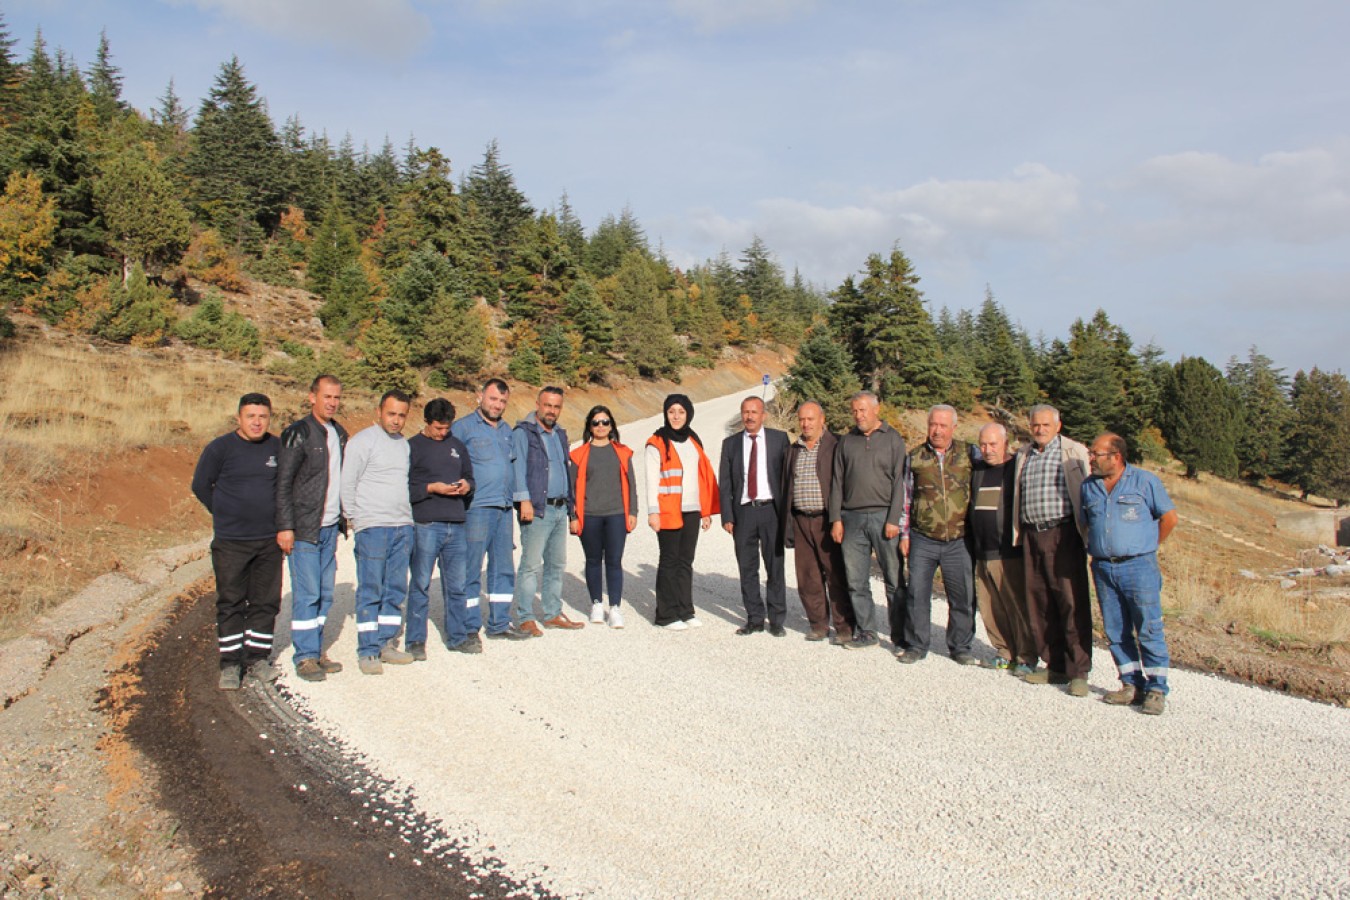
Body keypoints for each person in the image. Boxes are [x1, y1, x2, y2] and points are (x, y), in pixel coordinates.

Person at [1082, 432, 1178, 715]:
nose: (1090, 458)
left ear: (1116, 457)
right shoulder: (1089, 487)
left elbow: (1169, 519)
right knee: (1115, 629)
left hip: (1139, 566)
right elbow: (1086, 523)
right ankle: (1130, 683)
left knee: (1148, 627)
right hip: (1102, 566)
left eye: (1095, 454)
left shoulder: (1145, 482)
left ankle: (1157, 688)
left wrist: (1146, 547)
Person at [192, 393, 283, 690]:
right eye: (251, 416)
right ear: (239, 419)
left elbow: (284, 488)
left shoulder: (276, 447)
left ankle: (257, 658)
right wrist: (225, 512)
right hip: (231, 541)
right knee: (231, 602)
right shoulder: (220, 448)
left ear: (269, 418)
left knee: (265, 602)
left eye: (262, 417)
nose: (257, 422)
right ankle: (230, 664)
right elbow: (201, 485)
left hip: (268, 541)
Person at [1012, 404, 1093, 697]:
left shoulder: (1073, 452)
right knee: (1040, 601)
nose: (1040, 429)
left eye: (1046, 425)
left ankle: (1079, 670)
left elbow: (1087, 491)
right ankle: (1054, 664)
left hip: (1064, 532)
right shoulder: (1023, 455)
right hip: (1032, 533)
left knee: (1071, 601)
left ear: (1058, 426)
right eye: (1035, 425)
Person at [276, 374, 347, 683]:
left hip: (330, 527)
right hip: (305, 528)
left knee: (326, 593)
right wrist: (285, 526)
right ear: (312, 397)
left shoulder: (339, 433)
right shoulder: (297, 433)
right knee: (307, 593)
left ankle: (316, 649)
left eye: (336, 397)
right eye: (326, 396)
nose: (331, 402)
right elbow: (282, 484)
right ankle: (304, 656)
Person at [341, 390, 416, 674]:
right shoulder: (362, 442)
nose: (396, 420)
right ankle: (368, 650)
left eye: (401, 415)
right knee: (370, 588)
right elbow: (348, 483)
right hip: (373, 527)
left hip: (402, 526)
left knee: (395, 589)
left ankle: (386, 643)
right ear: (379, 412)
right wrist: (354, 519)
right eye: (391, 414)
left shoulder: (404, 445)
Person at [897, 405, 978, 665]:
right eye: (933, 425)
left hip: (960, 538)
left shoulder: (969, 454)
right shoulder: (916, 456)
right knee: (917, 593)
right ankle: (916, 644)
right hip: (923, 538)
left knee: (962, 596)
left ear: (954, 427)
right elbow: (906, 498)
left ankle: (961, 646)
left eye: (943, 426)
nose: (937, 430)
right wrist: (904, 534)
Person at [828, 391, 907, 650]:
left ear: (876, 410)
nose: (858, 415)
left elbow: (900, 482)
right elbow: (837, 481)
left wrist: (894, 518)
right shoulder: (847, 441)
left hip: (884, 517)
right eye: (854, 411)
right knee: (856, 580)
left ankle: (900, 635)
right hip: (851, 518)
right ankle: (867, 632)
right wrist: (836, 518)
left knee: (894, 580)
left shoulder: (893, 439)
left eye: (863, 410)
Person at [451, 378, 526, 641]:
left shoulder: (507, 430)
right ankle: (469, 625)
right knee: (471, 568)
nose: (497, 405)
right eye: (493, 399)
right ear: (480, 395)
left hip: (504, 509)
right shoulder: (463, 428)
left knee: (503, 568)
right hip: (476, 509)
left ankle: (499, 623)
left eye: (503, 401)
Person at [510, 386, 585, 636]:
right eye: (548, 405)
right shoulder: (524, 433)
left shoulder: (559, 434)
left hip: (559, 508)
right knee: (531, 565)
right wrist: (524, 501)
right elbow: (518, 467)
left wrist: (572, 510)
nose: (552, 411)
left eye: (556, 407)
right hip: (537, 509)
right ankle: (525, 616)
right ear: (538, 404)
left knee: (556, 564)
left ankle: (552, 613)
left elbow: (565, 471)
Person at [406, 398, 475, 657]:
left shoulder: (457, 446)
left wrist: (466, 485)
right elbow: (405, 488)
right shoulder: (412, 447)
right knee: (421, 583)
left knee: (457, 585)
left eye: (446, 428)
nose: (442, 433)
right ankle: (415, 641)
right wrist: (431, 488)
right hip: (426, 524)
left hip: (456, 524)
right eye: (438, 428)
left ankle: (457, 637)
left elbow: (470, 477)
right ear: (426, 422)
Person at [645, 394, 719, 630]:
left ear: (689, 414)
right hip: (668, 510)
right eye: (671, 412)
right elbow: (651, 480)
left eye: (681, 412)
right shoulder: (656, 442)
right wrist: (652, 512)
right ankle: (666, 615)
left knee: (686, 561)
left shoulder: (693, 440)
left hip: (692, 510)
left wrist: (705, 511)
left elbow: (702, 478)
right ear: (665, 414)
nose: (676, 416)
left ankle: (685, 610)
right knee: (669, 561)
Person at [783, 401, 854, 643]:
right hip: (801, 519)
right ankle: (818, 624)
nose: (806, 424)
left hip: (828, 520)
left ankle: (844, 627)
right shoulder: (794, 449)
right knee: (807, 575)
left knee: (835, 574)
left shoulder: (836, 445)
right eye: (802, 419)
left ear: (822, 420)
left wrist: (839, 519)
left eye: (811, 419)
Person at [968, 423, 1036, 677]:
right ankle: (1004, 652)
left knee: (1016, 605)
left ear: (1006, 443)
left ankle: (1027, 655)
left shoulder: (1016, 469)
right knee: (990, 606)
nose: (987, 450)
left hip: (1008, 551)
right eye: (983, 444)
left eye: (993, 444)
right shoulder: (979, 471)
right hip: (982, 550)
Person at [719, 396, 790, 636]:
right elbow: (725, 483)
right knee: (747, 568)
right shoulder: (730, 444)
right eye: (745, 412)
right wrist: (727, 515)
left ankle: (777, 620)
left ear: (763, 415)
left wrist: (788, 515)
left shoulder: (779, 440)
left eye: (754, 412)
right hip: (744, 513)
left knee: (775, 567)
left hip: (772, 511)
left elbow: (787, 479)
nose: (749, 416)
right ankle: (755, 618)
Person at [570, 405, 637, 629]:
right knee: (592, 560)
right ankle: (596, 603)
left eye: (605, 422)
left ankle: (615, 608)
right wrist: (573, 516)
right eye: (596, 422)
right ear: (589, 426)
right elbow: (571, 489)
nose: (601, 426)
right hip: (589, 515)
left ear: (611, 426)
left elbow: (631, 484)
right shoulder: (579, 455)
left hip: (617, 514)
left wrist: (633, 512)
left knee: (614, 561)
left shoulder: (622, 452)